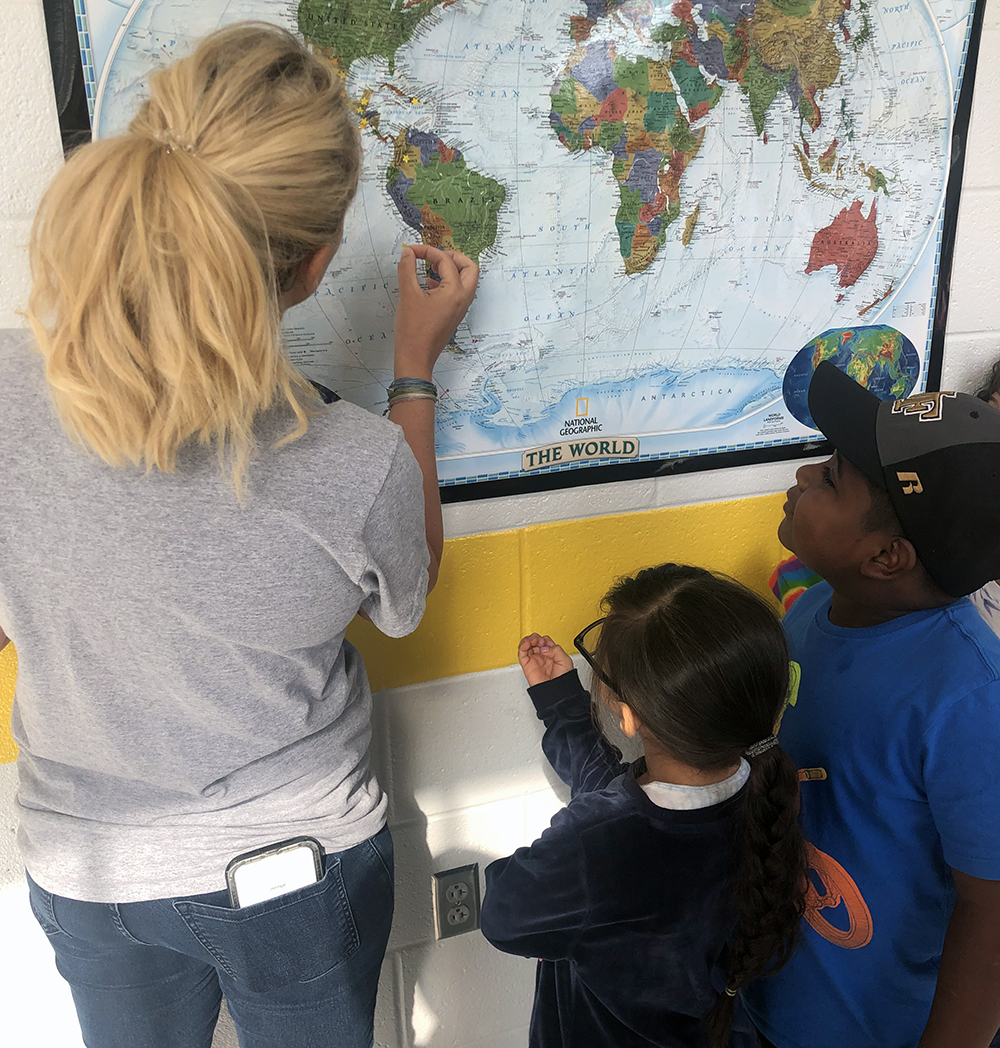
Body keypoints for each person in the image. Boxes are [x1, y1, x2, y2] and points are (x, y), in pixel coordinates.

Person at [0, 23, 478, 1048]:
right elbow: (403, 600)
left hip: (86, 867)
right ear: (312, 266)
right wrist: (412, 368)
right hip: (293, 872)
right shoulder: (354, 459)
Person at [746, 362, 1000, 1048]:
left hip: (871, 1028)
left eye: (829, 478)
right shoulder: (813, 612)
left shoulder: (972, 699)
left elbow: (992, 914)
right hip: (773, 998)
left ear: (888, 556)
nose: (802, 479)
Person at [480, 564, 809, 1048]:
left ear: (629, 717)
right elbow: (628, 803)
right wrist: (562, 705)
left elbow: (504, 915)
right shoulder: (767, 795)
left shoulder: (593, 847)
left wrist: (575, 844)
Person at [771, 353, 1000, 631]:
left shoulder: (961, 674)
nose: (804, 473)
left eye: (830, 478)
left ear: (885, 557)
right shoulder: (828, 597)